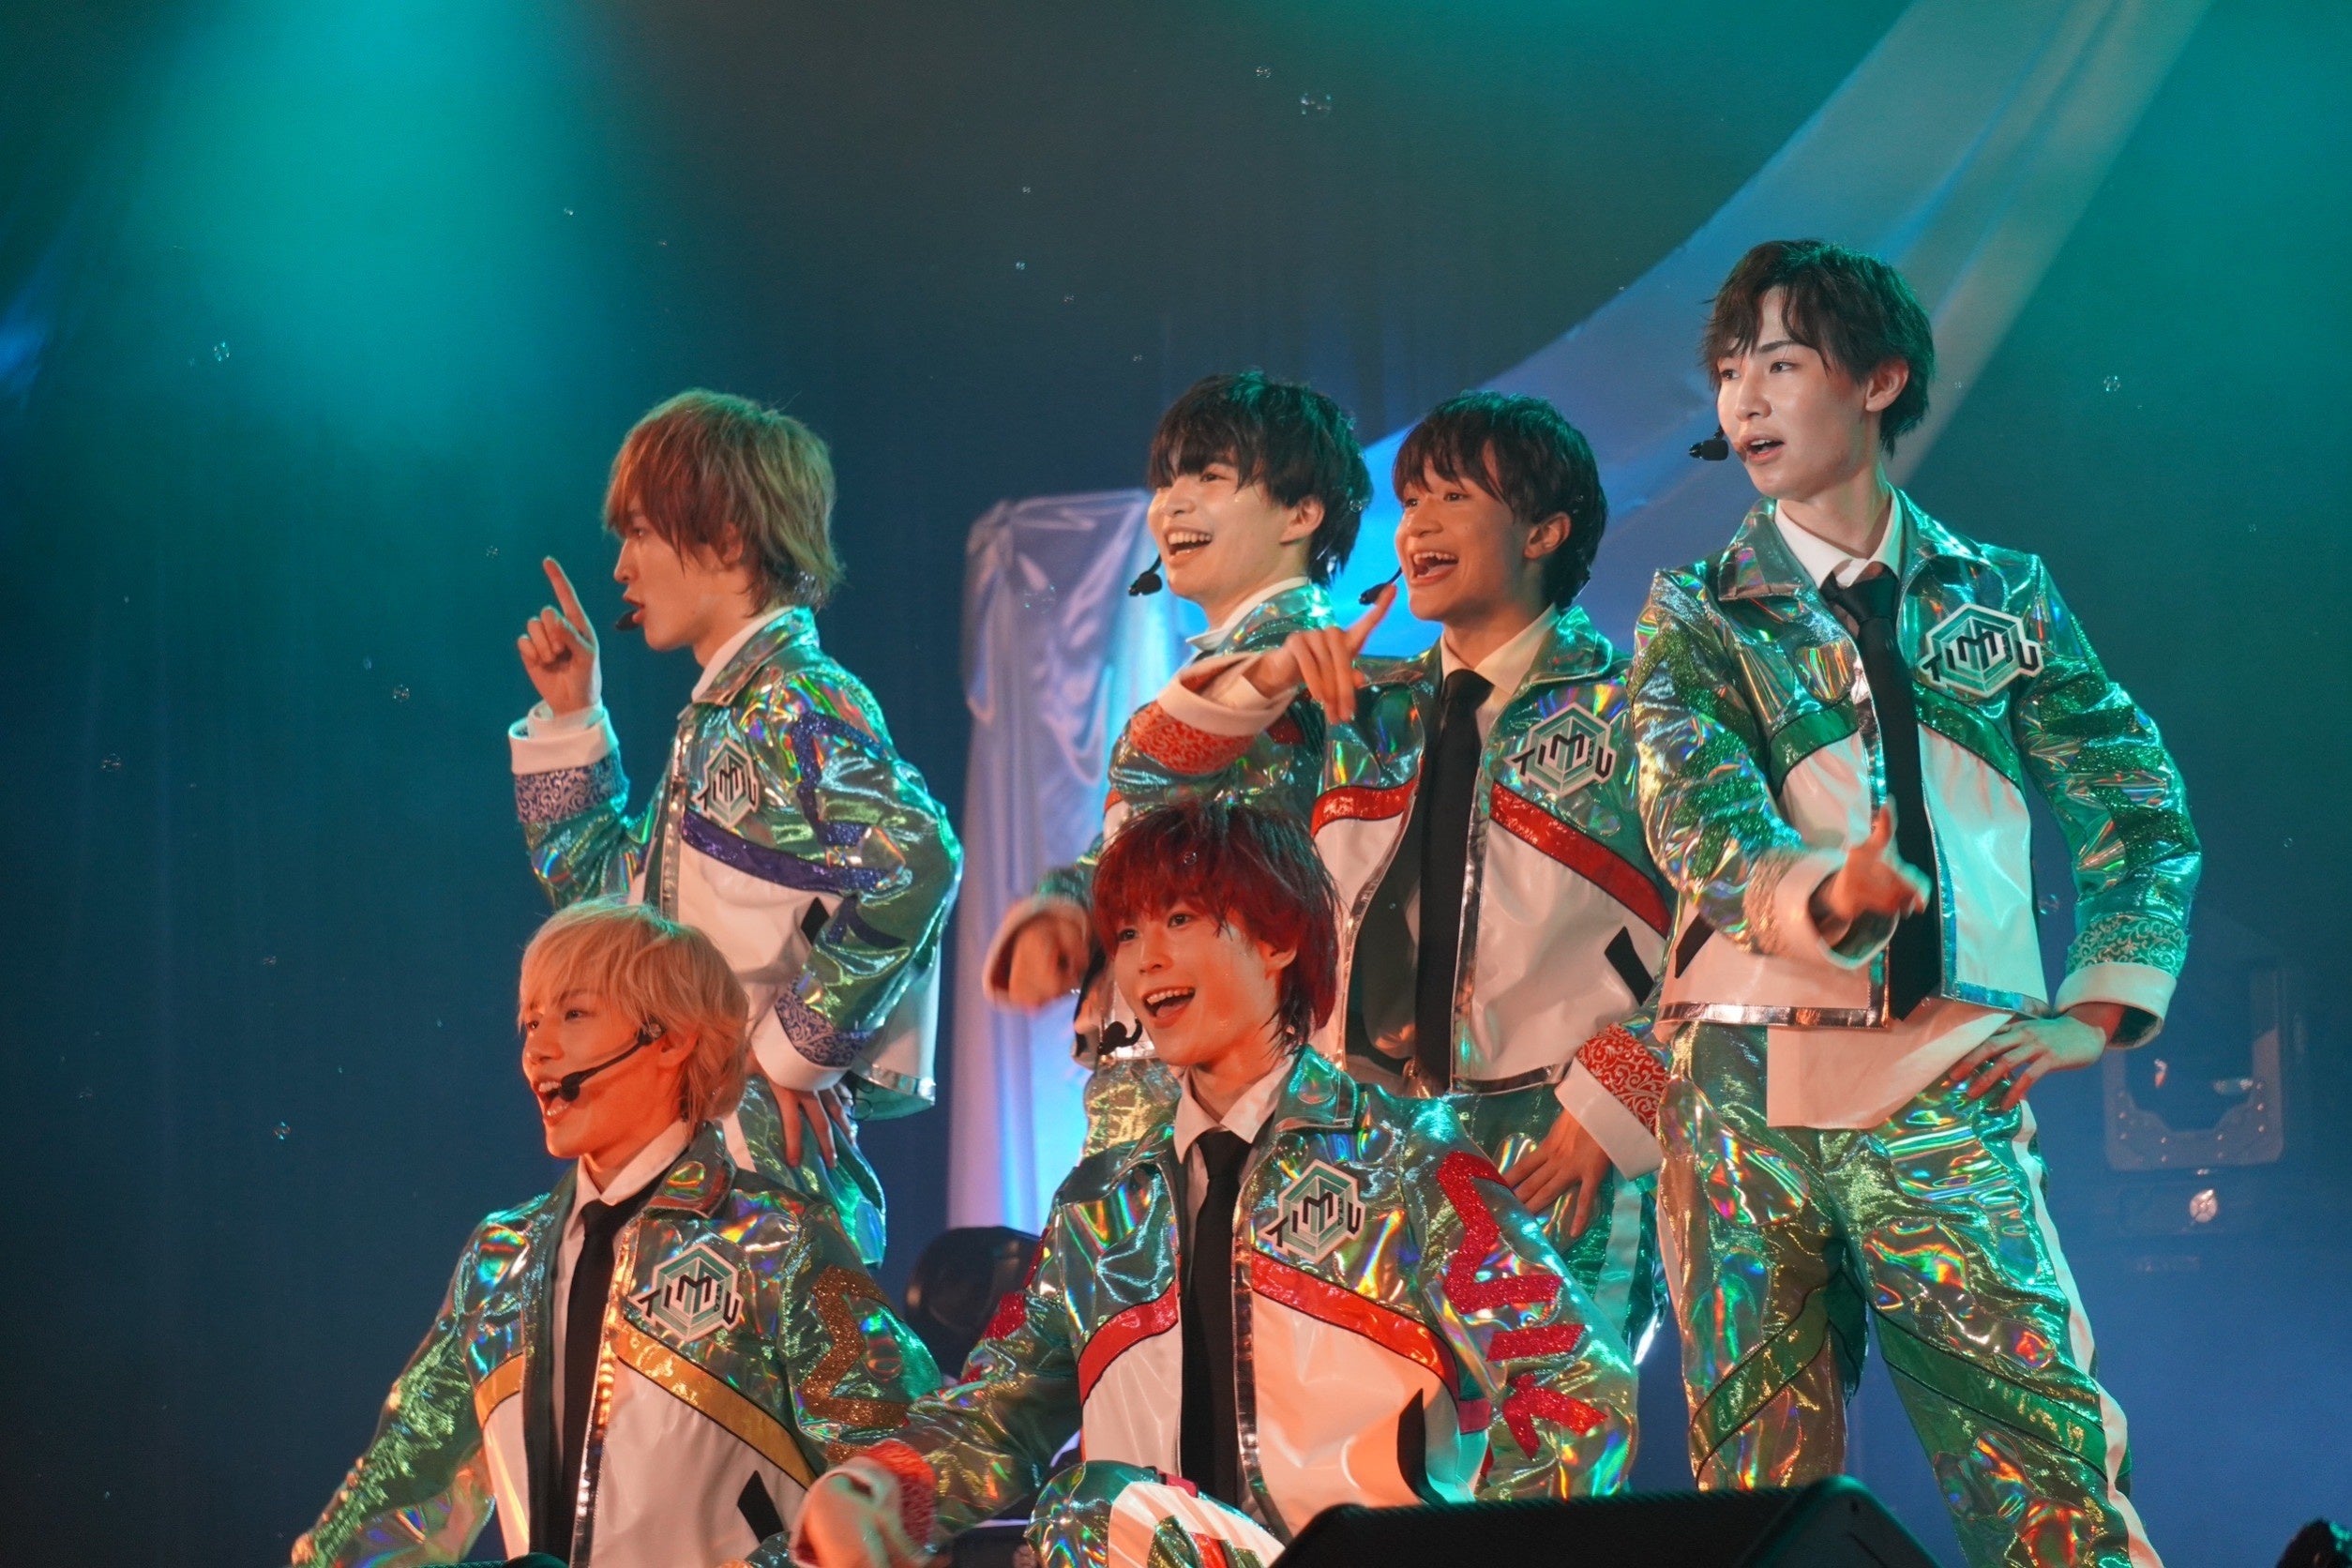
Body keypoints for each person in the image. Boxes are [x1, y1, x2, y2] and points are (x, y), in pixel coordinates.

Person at [1629, 239, 2198, 1567]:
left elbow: (2135, 804)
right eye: (1729, 372)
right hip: (1740, 1090)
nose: (1746, 399)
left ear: (1878, 380)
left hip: (1948, 1071)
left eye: (1782, 363)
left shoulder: (2004, 595)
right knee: (1756, 1496)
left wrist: (2097, 1010)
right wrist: (1827, 893)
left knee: (2047, 1464)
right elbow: (1693, 812)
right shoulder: (1698, 612)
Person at [796, 801, 1636, 1568]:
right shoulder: (1099, 1208)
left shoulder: (1407, 1160)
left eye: (1180, 919)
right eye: (1126, 934)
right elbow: (994, 1414)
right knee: (1086, 1516)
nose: (1145, 960)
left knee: (1091, 1511)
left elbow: (1579, 1390)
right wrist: (878, 1495)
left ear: (1278, 939)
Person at [1092, 392, 1675, 1359]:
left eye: (1453, 497)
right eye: (1411, 502)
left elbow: (1725, 926)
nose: (1418, 527)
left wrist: (1610, 1111)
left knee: (1554, 1426)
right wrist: (1266, 679)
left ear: (1544, 531)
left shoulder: (1639, 707)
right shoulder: (1361, 709)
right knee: (1362, 1435)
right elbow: (1148, 782)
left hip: (1550, 1143)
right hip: (1362, 1148)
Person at [295, 900, 938, 1568]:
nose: (538, 1050)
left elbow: (899, 1478)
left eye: (574, 1014)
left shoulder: (777, 1244)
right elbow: (399, 1495)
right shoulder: (501, 1261)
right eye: (531, 1022)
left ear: (672, 1038)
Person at [508, 389, 962, 1265]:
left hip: (761, 1178)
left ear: (725, 538)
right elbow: (617, 930)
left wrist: (788, 1055)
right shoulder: (726, 718)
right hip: (694, 1158)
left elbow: (916, 863)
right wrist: (572, 721)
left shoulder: (793, 702)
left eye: (641, 533)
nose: (621, 569)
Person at [985, 369, 1370, 1152]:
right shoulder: (1238, 667)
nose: (1171, 505)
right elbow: (1153, 840)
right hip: (1176, 1069)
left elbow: (1257, 868)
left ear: (1302, 513)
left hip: (1223, 1087)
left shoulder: (1298, 675)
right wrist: (1069, 907)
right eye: (1166, 482)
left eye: (1210, 477)